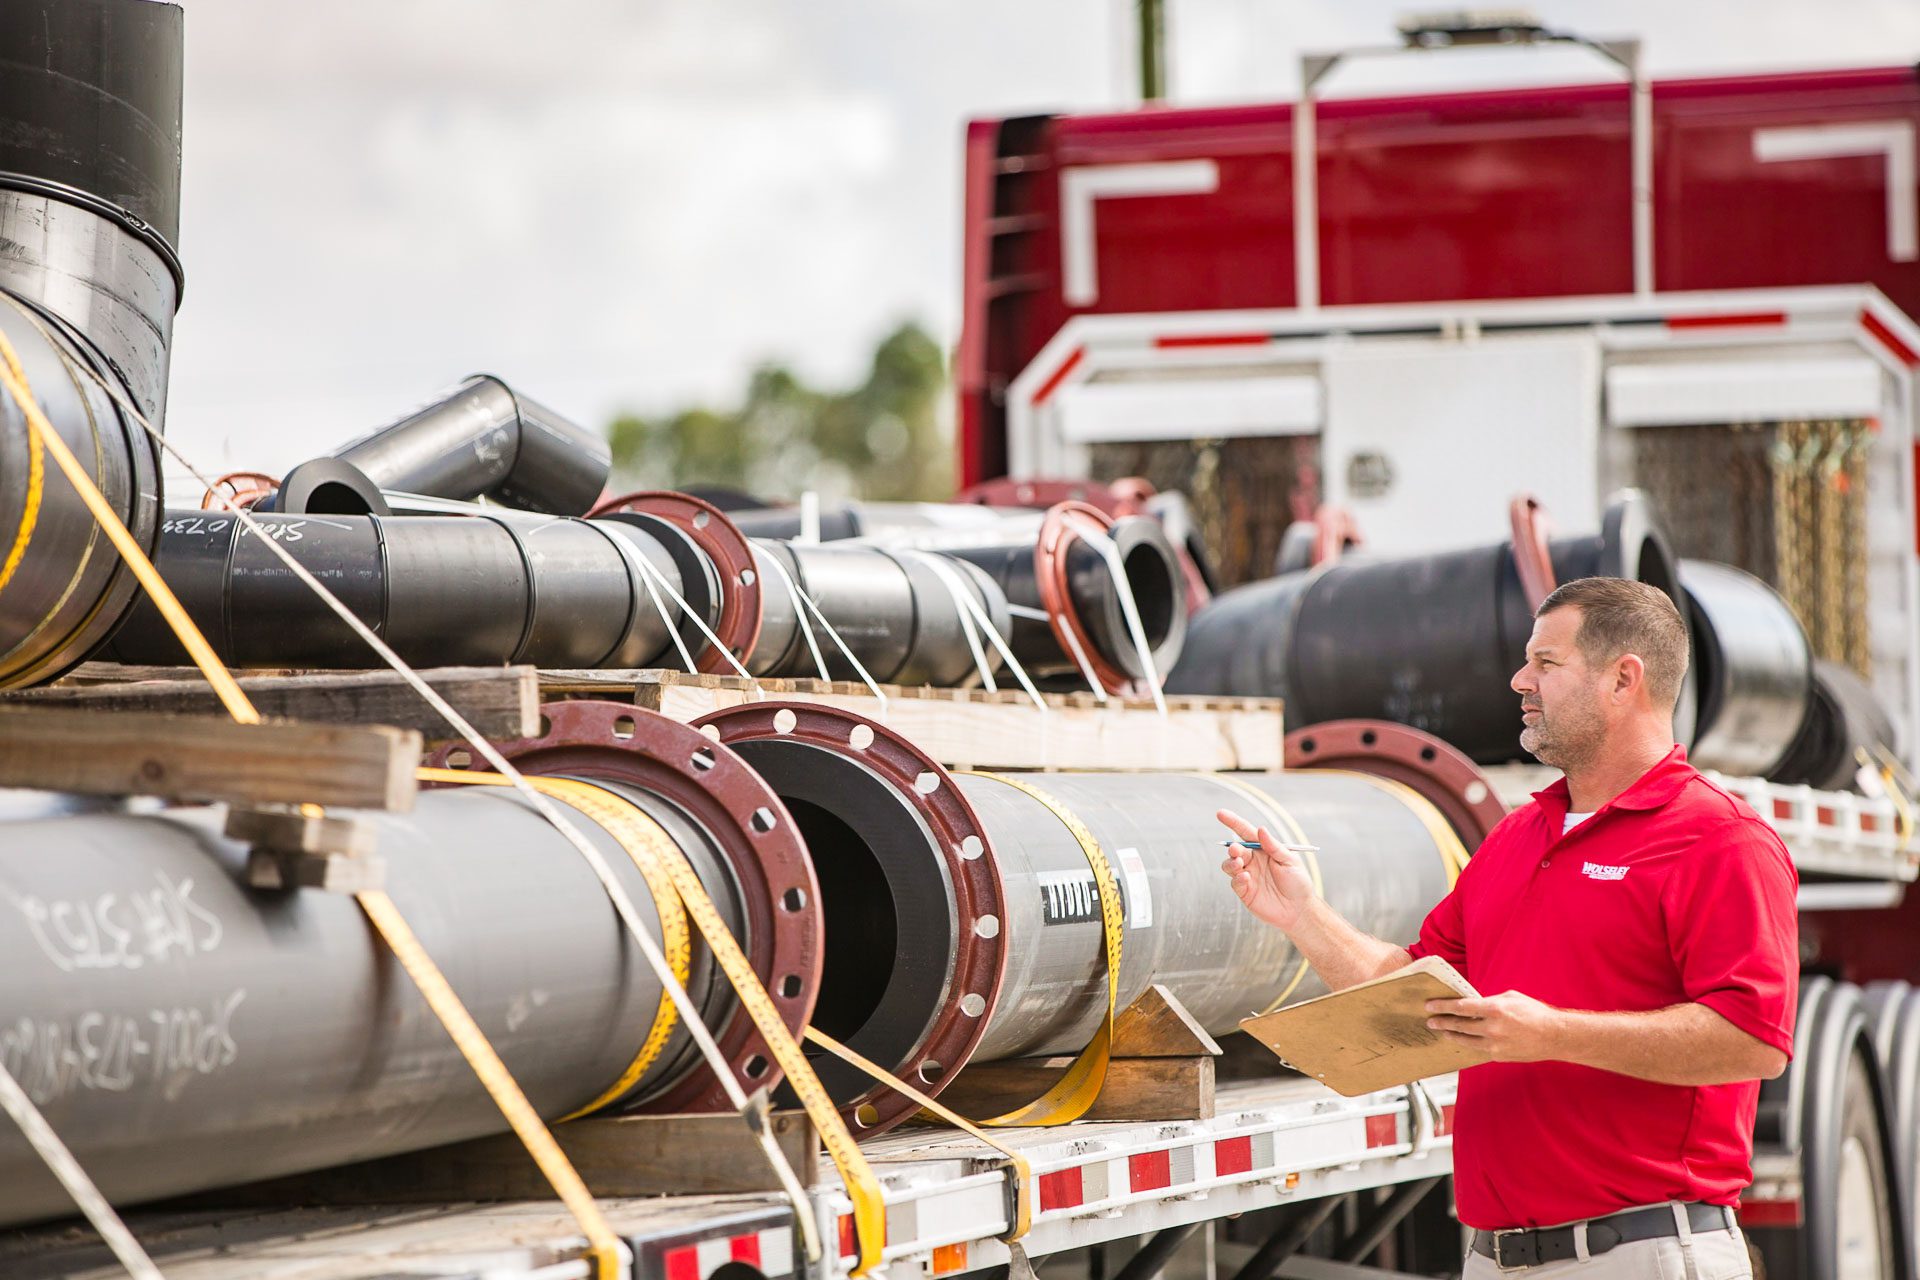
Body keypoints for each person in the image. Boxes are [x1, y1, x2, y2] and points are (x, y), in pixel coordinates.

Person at [1219, 576, 1797, 1280]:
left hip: (1643, 1253)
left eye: (1547, 664)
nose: (1521, 679)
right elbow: (1411, 991)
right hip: (1495, 1258)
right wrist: (1302, 914)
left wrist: (1550, 1033)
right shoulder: (1518, 836)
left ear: (1624, 680)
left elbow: (1753, 1042)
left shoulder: (1719, 839)